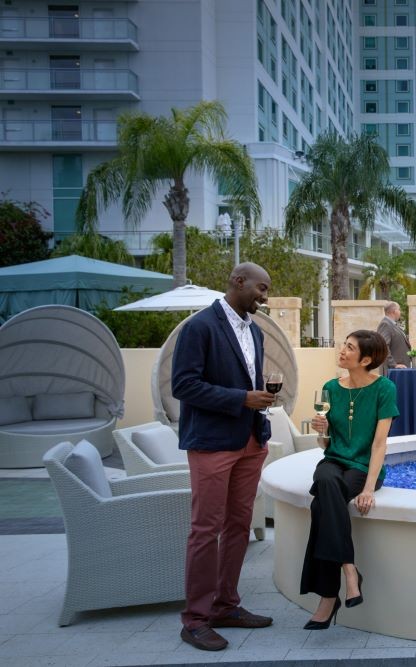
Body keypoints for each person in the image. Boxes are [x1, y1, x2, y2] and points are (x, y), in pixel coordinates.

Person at [171, 262, 276, 652]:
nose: (264, 297)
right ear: (237, 281)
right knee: (205, 530)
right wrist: (242, 399)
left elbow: (247, 382)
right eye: (261, 289)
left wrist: (258, 398)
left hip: (250, 440)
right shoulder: (199, 327)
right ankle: (195, 620)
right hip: (213, 443)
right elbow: (184, 385)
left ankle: (225, 605)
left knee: (238, 527)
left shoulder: (257, 333)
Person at [301, 330, 399, 630]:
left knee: (321, 507)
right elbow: (324, 443)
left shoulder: (385, 388)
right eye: (344, 345)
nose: (341, 350)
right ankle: (349, 569)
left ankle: (328, 599)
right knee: (327, 479)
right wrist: (322, 429)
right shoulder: (330, 387)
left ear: (366, 359)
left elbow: (380, 443)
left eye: (350, 348)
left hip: (362, 467)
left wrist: (369, 487)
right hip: (333, 461)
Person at [377, 301, 411, 371]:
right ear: (394, 311)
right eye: (399, 310)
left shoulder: (393, 324)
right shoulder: (385, 324)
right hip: (393, 371)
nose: (400, 312)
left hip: (400, 369)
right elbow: (383, 346)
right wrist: (394, 365)